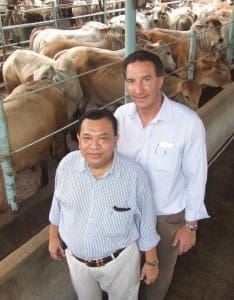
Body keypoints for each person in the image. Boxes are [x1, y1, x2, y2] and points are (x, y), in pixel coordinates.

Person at [114, 50, 210, 300]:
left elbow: (196, 176)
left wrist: (191, 225)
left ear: (160, 80)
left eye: (146, 79)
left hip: (165, 219)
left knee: (158, 279)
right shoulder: (120, 117)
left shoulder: (188, 123)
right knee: (125, 276)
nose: (138, 89)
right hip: (126, 215)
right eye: (131, 81)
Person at [48, 109, 161, 300]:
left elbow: (146, 221)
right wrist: (53, 236)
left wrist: (151, 262)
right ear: (78, 139)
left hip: (120, 263)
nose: (94, 146)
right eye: (87, 138)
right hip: (77, 263)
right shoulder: (67, 165)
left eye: (103, 138)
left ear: (115, 139)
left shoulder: (134, 175)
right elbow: (57, 204)